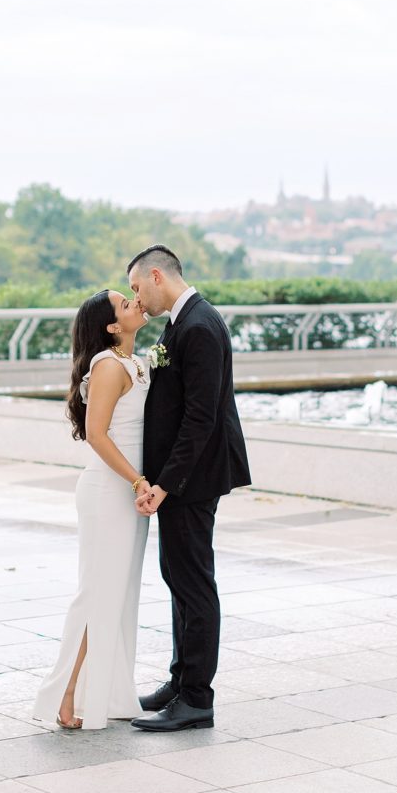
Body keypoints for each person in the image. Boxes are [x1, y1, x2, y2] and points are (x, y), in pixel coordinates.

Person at [127, 245, 251, 732]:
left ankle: (198, 696)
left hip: (193, 479)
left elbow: (199, 418)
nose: (138, 298)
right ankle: (180, 680)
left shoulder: (198, 326)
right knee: (178, 577)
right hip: (185, 478)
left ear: (157, 275)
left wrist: (165, 484)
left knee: (194, 584)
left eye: (138, 287)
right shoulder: (184, 321)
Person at [32, 289, 151, 730]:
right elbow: (97, 435)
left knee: (116, 597)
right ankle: (62, 693)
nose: (136, 303)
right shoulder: (107, 366)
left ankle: (102, 691)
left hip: (127, 491)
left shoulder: (133, 362)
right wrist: (138, 481)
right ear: (112, 326)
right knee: (96, 594)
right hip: (108, 492)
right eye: (126, 304)